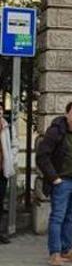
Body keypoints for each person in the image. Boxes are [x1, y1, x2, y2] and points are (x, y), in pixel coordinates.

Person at [36, 100, 72, 266]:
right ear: (67, 114)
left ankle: (67, 250)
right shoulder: (56, 132)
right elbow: (42, 156)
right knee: (57, 218)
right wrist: (54, 178)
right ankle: (54, 253)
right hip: (62, 183)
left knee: (71, 218)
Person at [0, 104, 13, 244]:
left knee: (0, 202)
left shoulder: (7, 127)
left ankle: (0, 233)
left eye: (0, 111)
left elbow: (14, 144)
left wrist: (11, 158)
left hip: (2, 170)